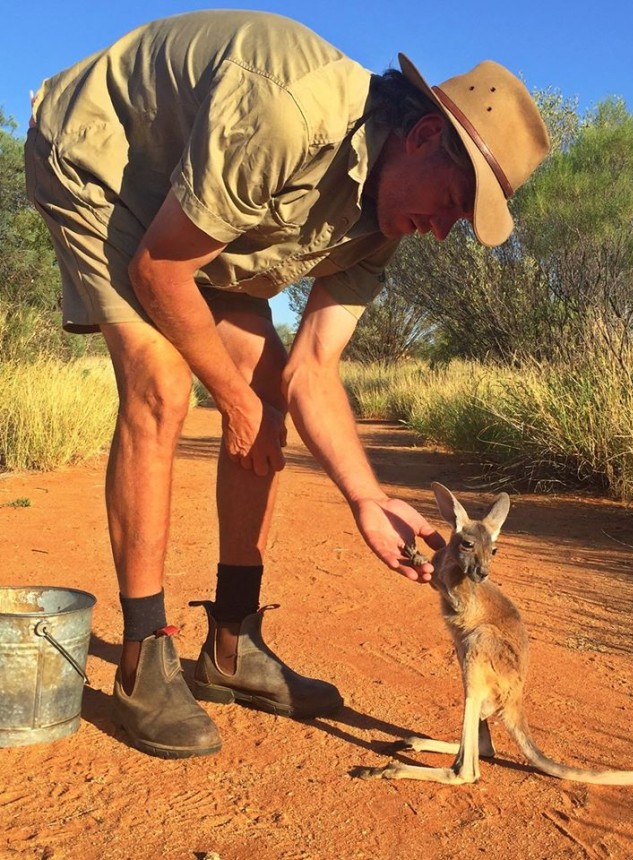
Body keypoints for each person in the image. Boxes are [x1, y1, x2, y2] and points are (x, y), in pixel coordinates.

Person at [25, 9, 550, 759]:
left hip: (204, 212)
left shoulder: (384, 225)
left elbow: (312, 372)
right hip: (108, 163)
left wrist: (366, 498)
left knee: (267, 397)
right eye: (455, 201)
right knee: (164, 384)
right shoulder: (290, 115)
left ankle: (232, 648)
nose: (444, 227)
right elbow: (159, 270)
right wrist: (234, 404)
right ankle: (144, 658)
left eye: (463, 221)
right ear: (426, 136)